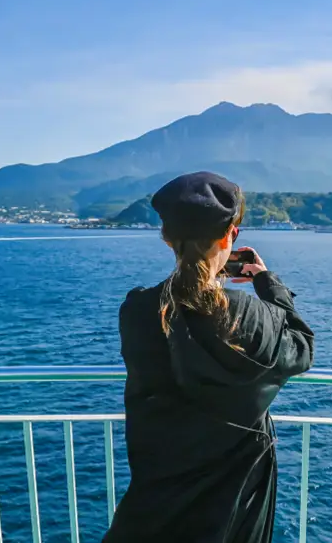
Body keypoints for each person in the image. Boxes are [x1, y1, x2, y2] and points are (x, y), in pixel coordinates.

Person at [103, 172, 315, 543]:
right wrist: (267, 283)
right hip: (230, 519)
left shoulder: (137, 312)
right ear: (230, 235)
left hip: (152, 513)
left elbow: (189, 315)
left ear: (167, 237)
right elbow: (301, 348)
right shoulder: (252, 319)